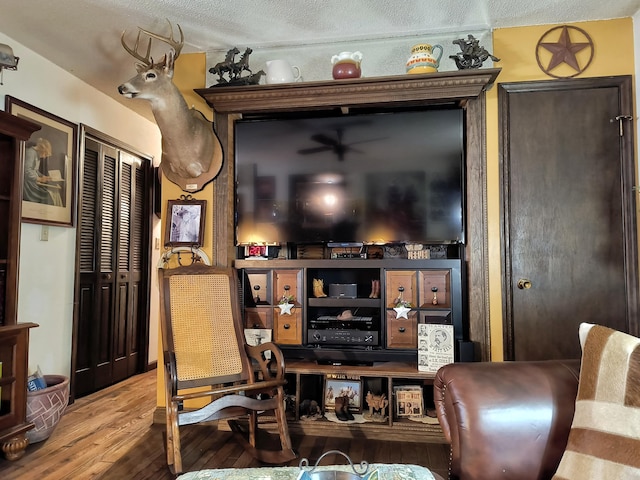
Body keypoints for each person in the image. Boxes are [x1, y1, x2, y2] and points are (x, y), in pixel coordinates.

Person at [23, 138, 55, 205]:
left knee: (48, 195)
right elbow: (27, 170)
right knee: (47, 196)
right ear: (42, 149)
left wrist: (43, 176)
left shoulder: (37, 154)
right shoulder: (30, 152)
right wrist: (39, 179)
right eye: (45, 154)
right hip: (27, 185)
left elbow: (35, 170)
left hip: (31, 182)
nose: (44, 157)